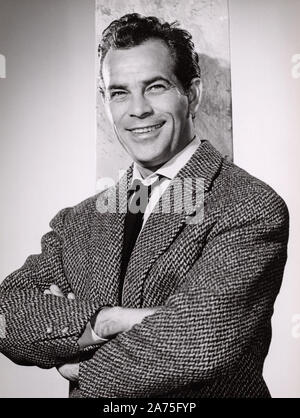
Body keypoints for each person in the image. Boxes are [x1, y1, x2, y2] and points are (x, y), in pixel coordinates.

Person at [0, 13, 289, 398]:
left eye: (155, 87)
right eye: (119, 92)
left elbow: (193, 340)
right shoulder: (82, 219)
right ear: (105, 103)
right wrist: (106, 320)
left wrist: (76, 360)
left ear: (194, 95)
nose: (138, 110)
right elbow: (7, 312)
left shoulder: (248, 205)